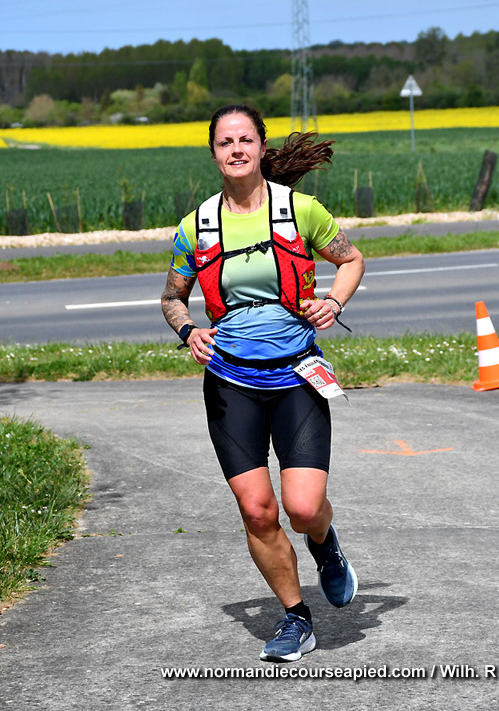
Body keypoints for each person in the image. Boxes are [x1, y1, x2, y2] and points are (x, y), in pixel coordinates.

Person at [161, 104, 365, 662]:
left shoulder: (299, 209)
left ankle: (325, 543)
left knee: (303, 508)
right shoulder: (196, 226)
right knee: (257, 510)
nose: (236, 149)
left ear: (260, 147)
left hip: (296, 374)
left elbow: (351, 260)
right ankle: (296, 617)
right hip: (230, 380)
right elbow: (172, 296)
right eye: (225, 142)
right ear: (213, 154)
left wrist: (333, 302)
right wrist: (188, 331)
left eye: (245, 139)